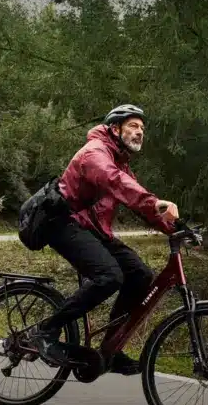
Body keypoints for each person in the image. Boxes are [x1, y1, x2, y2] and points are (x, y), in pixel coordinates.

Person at [24, 104, 180, 375]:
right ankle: (45, 330)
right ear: (115, 129)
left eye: (143, 128)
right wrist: (157, 203)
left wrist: (175, 229)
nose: (140, 132)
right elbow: (116, 182)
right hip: (63, 223)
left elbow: (138, 201)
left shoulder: (120, 161)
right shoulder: (95, 153)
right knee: (109, 276)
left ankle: (111, 349)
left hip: (91, 228)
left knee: (140, 274)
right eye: (133, 125)